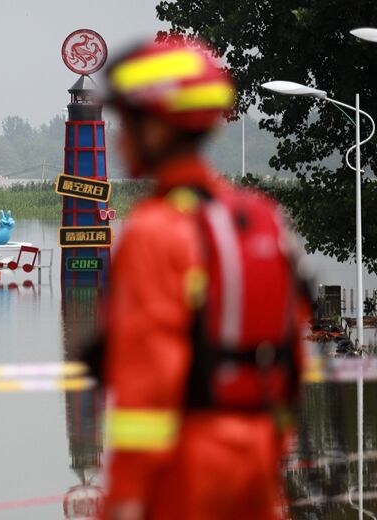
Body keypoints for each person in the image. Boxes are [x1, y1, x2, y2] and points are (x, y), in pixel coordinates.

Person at [100, 39, 310, 520]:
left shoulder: (155, 231)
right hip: (259, 461)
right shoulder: (262, 219)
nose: (119, 140)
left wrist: (125, 497)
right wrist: (270, 446)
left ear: (156, 127)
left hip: (183, 470)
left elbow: (146, 387)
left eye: (126, 123)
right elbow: (293, 355)